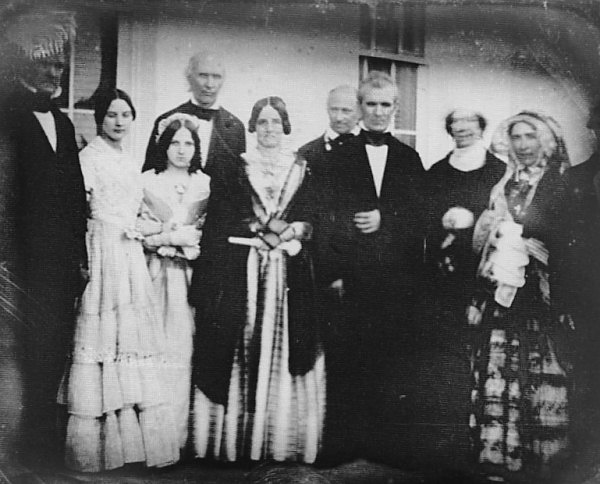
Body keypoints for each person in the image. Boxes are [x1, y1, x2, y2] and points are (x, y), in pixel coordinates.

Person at [190, 96, 325, 464]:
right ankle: (240, 441)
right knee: (242, 337)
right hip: (246, 266)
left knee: (287, 342)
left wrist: (292, 229)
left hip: (287, 271)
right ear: (252, 127)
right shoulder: (236, 168)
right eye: (262, 123)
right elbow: (223, 216)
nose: (269, 130)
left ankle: (278, 439)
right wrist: (259, 229)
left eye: (275, 122)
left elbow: (313, 215)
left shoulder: (302, 168)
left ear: (285, 126)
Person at [57, 89, 179, 472]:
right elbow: (79, 210)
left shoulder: (129, 161)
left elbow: (147, 207)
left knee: (131, 340)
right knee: (103, 338)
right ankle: (96, 448)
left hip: (128, 254)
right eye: (112, 114)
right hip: (104, 250)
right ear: (99, 118)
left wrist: (147, 225)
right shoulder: (88, 158)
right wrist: (89, 252)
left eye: (126, 114)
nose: (119, 121)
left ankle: (131, 445)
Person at [320, 71, 427, 465]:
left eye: (386, 105)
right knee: (347, 360)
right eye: (371, 104)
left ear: (395, 108)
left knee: (392, 362)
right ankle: (345, 445)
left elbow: (420, 219)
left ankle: (389, 448)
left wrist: (387, 219)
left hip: (396, 281)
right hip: (351, 277)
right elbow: (325, 216)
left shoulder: (408, 158)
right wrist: (333, 274)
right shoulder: (339, 156)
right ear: (360, 107)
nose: (379, 112)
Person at [0, 9, 88, 467]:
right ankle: (14, 456)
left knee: (52, 352)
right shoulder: (7, 115)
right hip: (17, 262)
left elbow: (75, 198)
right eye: (45, 65)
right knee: (17, 356)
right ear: (25, 64)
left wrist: (81, 256)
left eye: (59, 67)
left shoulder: (66, 124)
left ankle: (40, 450)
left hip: (58, 264)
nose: (53, 73)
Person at [467, 111, 573, 481]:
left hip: (540, 293)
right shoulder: (504, 183)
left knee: (537, 370)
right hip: (502, 290)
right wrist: (492, 233)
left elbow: (566, 239)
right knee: (502, 368)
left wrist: (535, 244)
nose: (523, 145)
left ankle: (540, 461)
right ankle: (502, 457)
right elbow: (485, 234)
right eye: (517, 138)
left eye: (530, 137)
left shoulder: (560, 183)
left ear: (544, 140)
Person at [140, 112, 211, 453]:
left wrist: (181, 238)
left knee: (187, 351)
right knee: (156, 351)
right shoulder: (147, 181)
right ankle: (154, 441)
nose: (182, 150)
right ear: (163, 145)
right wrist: (162, 238)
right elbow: (138, 229)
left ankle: (183, 440)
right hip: (156, 275)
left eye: (188, 143)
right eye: (175, 143)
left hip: (193, 278)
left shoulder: (206, 184)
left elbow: (208, 233)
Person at [425, 109, 506, 331]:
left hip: (483, 266)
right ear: (449, 129)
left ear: (481, 127)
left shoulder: (500, 171)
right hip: (444, 266)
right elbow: (424, 216)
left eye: (470, 121)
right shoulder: (436, 171)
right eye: (455, 122)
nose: (462, 127)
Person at [143, 51, 245, 183]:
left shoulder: (235, 127)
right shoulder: (167, 120)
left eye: (216, 77)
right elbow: (150, 175)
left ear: (223, 80)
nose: (209, 84)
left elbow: (239, 187)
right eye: (203, 75)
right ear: (189, 77)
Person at [297, 85, 360, 172]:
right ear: (327, 109)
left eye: (346, 111)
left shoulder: (372, 148)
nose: (339, 118)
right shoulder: (307, 153)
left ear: (360, 112)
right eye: (334, 110)